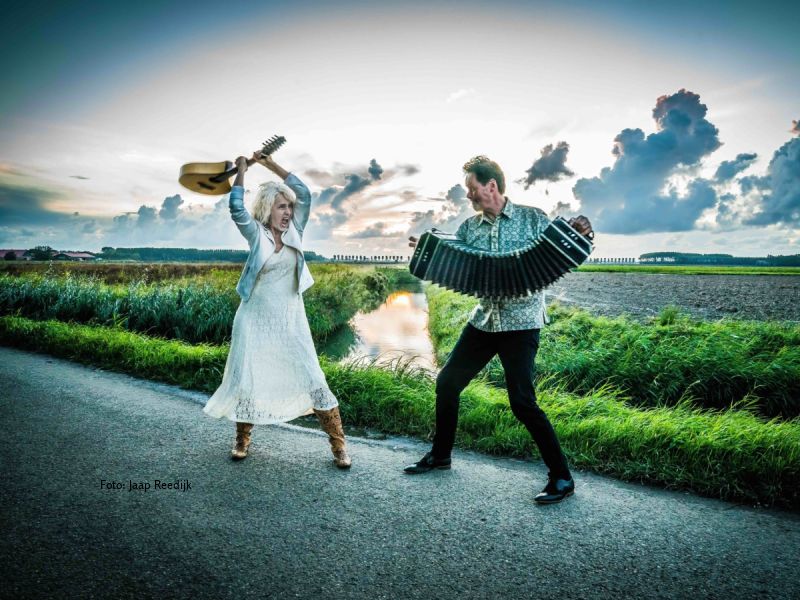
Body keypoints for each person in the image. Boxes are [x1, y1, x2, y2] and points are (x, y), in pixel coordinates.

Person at [404, 155, 593, 504]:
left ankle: (562, 477)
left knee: (522, 402)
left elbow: (567, 248)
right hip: (485, 321)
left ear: (491, 186)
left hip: (522, 325)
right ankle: (441, 455)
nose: (469, 197)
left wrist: (580, 229)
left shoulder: (534, 219)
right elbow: (454, 261)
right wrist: (430, 251)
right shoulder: (469, 229)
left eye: (472, 190)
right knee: (447, 383)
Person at [203, 152, 351, 468]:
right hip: (254, 319)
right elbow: (236, 208)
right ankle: (242, 439)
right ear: (268, 208)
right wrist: (241, 172)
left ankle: (339, 447)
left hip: (290, 321)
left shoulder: (296, 230)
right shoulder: (256, 234)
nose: (288, 211)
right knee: (248, 379)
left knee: (314, 377)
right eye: (282, 206)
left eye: (289, 207)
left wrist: (272, 166)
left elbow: (306, 195)